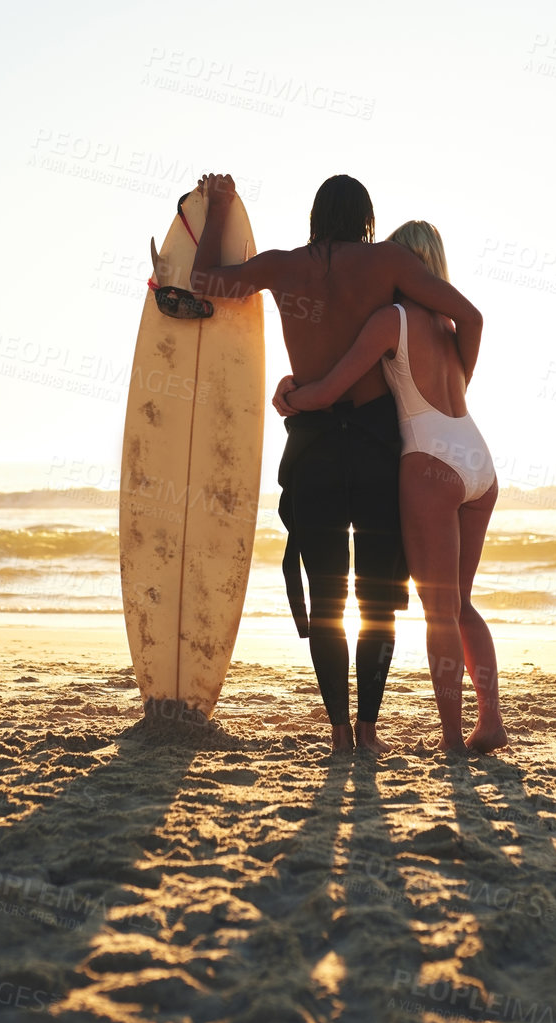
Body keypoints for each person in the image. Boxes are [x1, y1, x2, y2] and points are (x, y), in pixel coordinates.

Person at [191, 174, 484, 754]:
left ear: (316, 218)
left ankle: (340, 733)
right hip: (377, 444)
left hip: (314, 445)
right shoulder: (390, 263)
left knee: (327, 598)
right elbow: (467, 316)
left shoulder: (283, 267)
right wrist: (459, 383)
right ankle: (372, 731)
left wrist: (220, 207)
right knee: (379, 597)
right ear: (368, 220)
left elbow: (204, 282)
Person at [272, 221, 506, 755]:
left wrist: (291, 396)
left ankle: (450, 739)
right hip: (478, 460)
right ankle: (490, 720)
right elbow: (458, 382)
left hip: (430, 462)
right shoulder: (450, 329)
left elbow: (333, 386)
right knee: (462, 603)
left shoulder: (389, 320)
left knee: (439, 610)